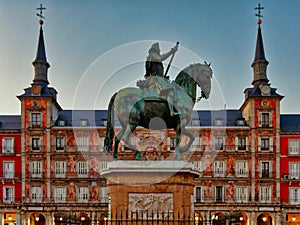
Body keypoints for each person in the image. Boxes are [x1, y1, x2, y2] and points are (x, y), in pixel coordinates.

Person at [144, 42, 180, 116]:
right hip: (156, 81)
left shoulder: (153, 58)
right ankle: (172, 111)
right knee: (170, 91)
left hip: (159, 80)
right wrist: (171, 51)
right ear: (156, 50)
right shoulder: (153, 55)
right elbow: (161, 58)